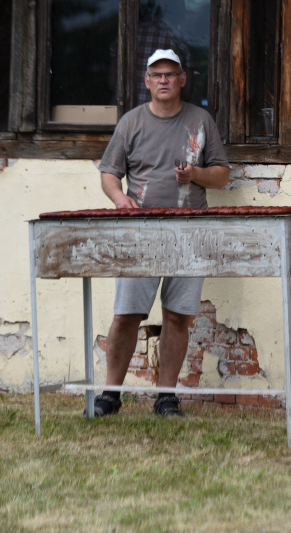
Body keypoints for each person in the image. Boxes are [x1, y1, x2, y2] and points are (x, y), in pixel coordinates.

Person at [95, 49, 230, 418]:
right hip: (140, 232)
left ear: (182, 80)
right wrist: (119, 198)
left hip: (189, 231)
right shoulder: (131, 122)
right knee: (127, 314)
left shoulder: (200, 120)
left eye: (171, 74)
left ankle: (166, 397)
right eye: (157, 75)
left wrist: (195, 175)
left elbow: (222, 174)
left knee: (177, 316)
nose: (164, 80)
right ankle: (110, 395)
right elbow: (109, 172)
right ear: (147, 81)